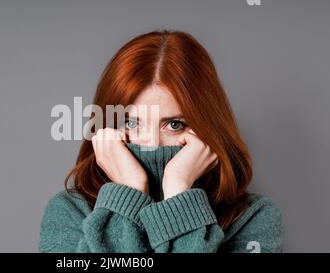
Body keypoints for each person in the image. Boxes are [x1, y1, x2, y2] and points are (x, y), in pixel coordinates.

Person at [39, 30, 284, 253]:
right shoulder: (68, 213)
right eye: (131, 123)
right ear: (107, 127)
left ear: (207, 128)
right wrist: (127, 193)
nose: (152, 143)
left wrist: (179, 191)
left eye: (175, 124)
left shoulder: (253, 218)